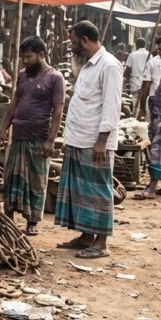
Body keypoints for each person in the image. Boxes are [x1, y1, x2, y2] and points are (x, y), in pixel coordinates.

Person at [55, 20, 122, 259]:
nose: (72, 46)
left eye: (73, 42)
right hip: (79, 138)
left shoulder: (109, 66)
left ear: (84, 40)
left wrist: (102, 140)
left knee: (98, 192)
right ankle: (86, 236)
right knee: (82, 192)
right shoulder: (87, 66)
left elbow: (112, 106)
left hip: (95, 141)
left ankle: (101, 243)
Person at [0, 36, 66, 236]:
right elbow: (15, 102)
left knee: (36, 182)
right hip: (18, 137)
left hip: (39, 139)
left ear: (42, 55)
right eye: (23, 57)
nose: (25, 61)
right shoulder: (21, 75)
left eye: (29, 57)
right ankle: (8, 218)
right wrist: (4, 127)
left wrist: (50, 141)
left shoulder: (55, 78)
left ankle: (32, 221)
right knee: (11, 179)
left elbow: (58, 112)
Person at [135, 34, 161, 199]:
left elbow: (146, 85)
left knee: (156, 150)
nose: (158, 51)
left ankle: (152, 187)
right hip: (159, 111)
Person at [124, 37, 148, 109]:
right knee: (144, 101)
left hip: (135, 81)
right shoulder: (149, 54)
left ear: (136, 45)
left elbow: (128, 69)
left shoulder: (133, 54)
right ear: (144, 45)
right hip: (146, 82)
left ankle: (135, 116)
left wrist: (127, 79)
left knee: (135, 102)